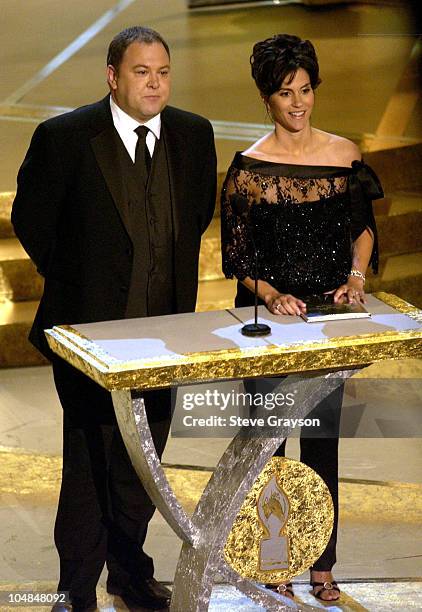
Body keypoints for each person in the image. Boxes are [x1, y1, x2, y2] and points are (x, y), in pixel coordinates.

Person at [12, 26, 216, 611]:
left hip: (165, 339)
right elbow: (33, 220)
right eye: (141, 72)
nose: (154, 84)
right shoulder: (65, 138)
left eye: (163, 72)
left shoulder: (193, 135)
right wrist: (80, 283)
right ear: (113, 76)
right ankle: (75, 588)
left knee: (142, 467)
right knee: (88, 463)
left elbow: (195, 215)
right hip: (87, 338)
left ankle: (129, 573)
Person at [221, 34, 383, 602]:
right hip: (270, 326)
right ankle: (273, 563)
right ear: (265, 99)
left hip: (326, 322)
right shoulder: (248, 169)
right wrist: (269, 295)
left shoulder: (344, 155)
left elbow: (362, 228)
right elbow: (236, 259)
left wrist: (356, 278)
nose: (298, 103)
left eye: (306, 90)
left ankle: (320, 563)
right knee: (268, 445)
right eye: (285, 93)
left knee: (322, 439)